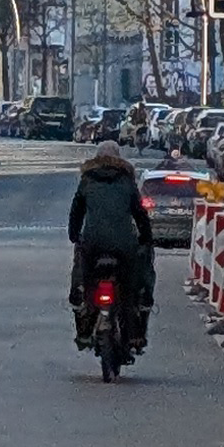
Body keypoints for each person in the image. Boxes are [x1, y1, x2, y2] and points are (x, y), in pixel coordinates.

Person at [68, 141, 155, 353]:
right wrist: (146, 237)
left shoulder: (87, 180)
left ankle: (84, 326)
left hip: (93, 244)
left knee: (85, 281)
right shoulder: (126, 180)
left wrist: (75, 236)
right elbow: (139, 213)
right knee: (131, 287)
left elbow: (76, 211)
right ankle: (134, 333)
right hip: (124, 245)